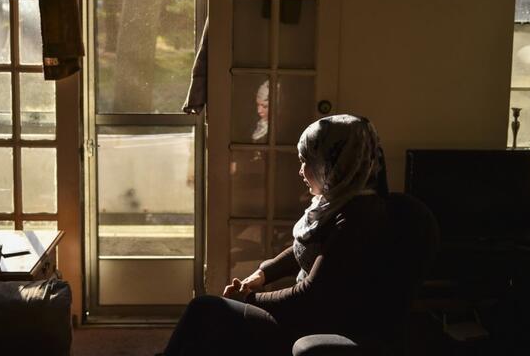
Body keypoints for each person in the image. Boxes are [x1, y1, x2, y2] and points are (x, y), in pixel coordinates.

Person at [161, 114, 393, 356]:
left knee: (206, 309)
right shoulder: (343, 203)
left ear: (334, 163)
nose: (301, 171)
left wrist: (249, 298)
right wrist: (263, 274)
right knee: (208, 324)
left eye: (307, 161)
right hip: (307, 317)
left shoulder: (356, 219)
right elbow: (308, 248)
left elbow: (309, 296)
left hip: (313, 326)